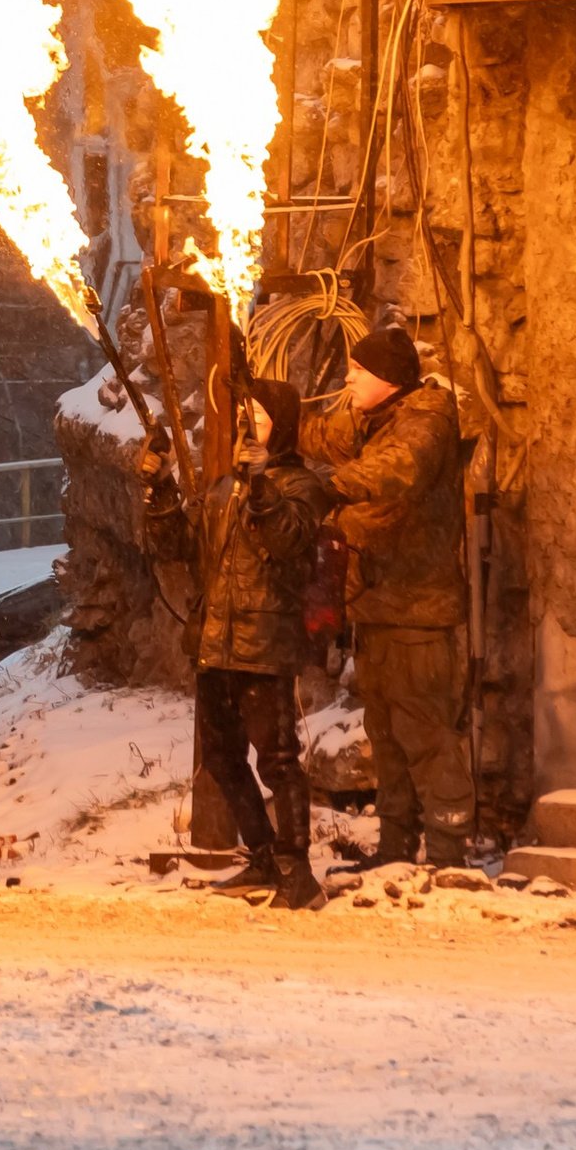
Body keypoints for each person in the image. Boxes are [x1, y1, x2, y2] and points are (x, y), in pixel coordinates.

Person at [289, 323, 474, 869]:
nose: (348, 376)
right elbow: (323, 437)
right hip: (379, 607)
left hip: (418, 611)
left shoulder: (425, 421)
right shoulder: (376, 419)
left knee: (425, 731)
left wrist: (334, 487)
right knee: (387, 733)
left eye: (359, 371)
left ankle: (447, 850)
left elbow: (398, 467)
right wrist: (263, 402)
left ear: (388, 380)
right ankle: (396, 846)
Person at [143, 376, 327, 910]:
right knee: (223, 759)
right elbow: (178, 545)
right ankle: (265, 856)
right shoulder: (224, 490)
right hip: (215, 645)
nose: (246, 420)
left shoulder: (301, 486)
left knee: (278, 761)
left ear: (280, 425)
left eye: (258, 413)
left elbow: (288, 540)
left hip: (263, 645)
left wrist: (263, 484)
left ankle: (298, 872)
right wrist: (161, 490)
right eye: (243, 411)